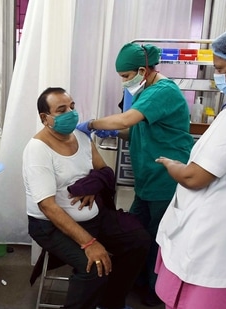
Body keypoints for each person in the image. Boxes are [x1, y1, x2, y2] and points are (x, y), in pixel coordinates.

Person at [154, 24, 226, 309]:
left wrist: (171, 164)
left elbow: (195, 177)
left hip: (218, 238)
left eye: (220, 69)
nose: (218, 76)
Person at [77, 42, 194, 306]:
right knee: (136, 233)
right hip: (148, 181)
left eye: (126, 77)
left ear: (143, 70)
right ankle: (136, 282)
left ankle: (155, 293)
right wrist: (113, 132)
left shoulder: (163, 91)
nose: (124, 83)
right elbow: (136, 128)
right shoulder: (148, 91)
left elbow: (126, 119)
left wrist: (93, 124)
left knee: (157, 239)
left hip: (166, 179)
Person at [23, 87, 150, 309]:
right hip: (50, 226)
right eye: (61, 110)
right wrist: (89, 243)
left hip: (93, 218)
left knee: (139, 240)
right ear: (45, 118)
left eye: (72, 107)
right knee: (94, 266)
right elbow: (47, 206)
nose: (71, 113)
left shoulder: (81, 137)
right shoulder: (38, 150)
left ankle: (110, 302)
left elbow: (103, 171)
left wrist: (93, 185)